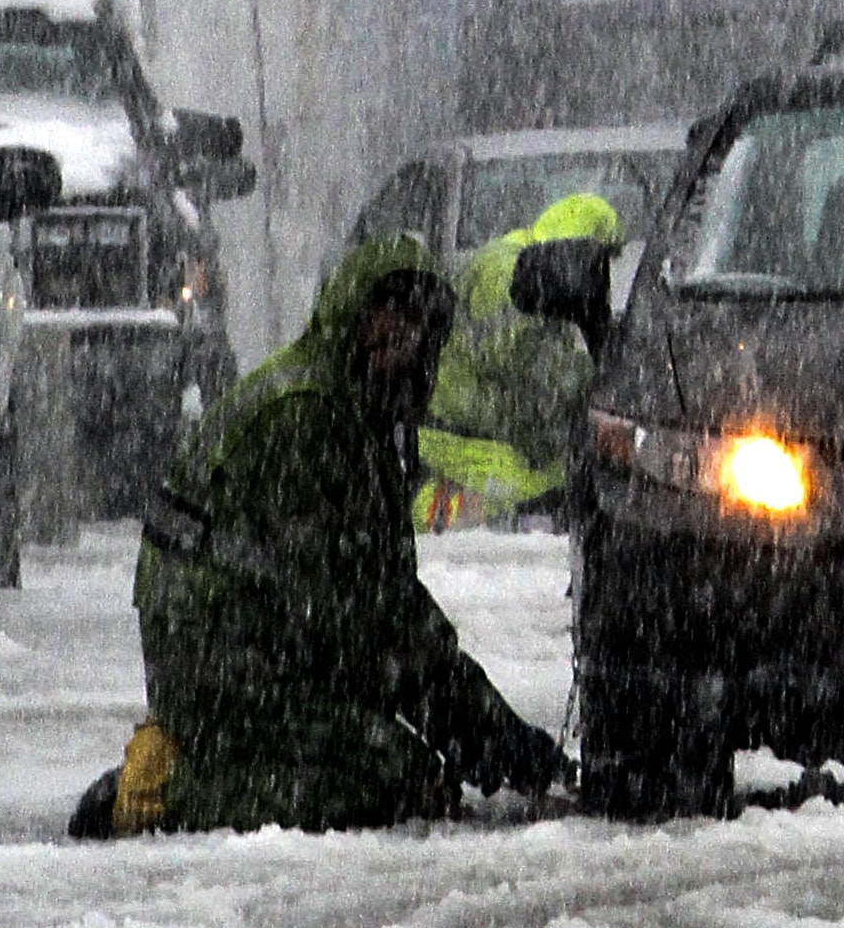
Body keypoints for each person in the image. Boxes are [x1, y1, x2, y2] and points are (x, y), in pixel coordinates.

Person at [71, 236, 568, 836]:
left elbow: (384, 599)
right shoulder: (308, 418)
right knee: (392, 780)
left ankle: (216, 760)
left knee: (404, 765)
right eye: (390, 317)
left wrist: (489, 734)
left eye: (421, 329)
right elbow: (360, 617)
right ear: (355, 317)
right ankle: (158, 792)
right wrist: (485, 737)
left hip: (264, 641)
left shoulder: (359, 413)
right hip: (221, 662)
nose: (404, 343)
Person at [415, 192, 622, 529]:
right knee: (541, 494)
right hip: (464, 432)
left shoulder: (537, 275)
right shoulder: (506, 274)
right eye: (598, 263)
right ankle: (441, 515)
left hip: (483, 421)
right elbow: (522, 355)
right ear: (573, 256)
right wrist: (595, 375)